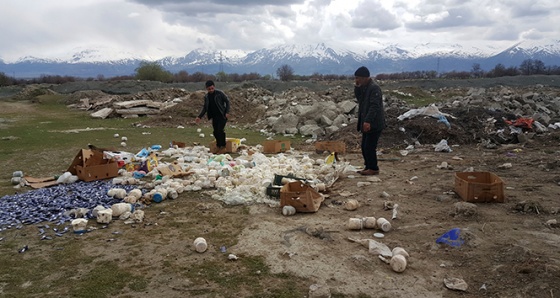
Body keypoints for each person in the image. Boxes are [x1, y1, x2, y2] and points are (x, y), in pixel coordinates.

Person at [354, 66, 385, 175]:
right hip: (366, 122)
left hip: (374, 123)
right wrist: (357, 87)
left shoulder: (374, 88)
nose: (356, 80)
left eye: (358, 78)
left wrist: (368, 121)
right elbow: (359, 99)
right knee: (364, 146)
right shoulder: (364, 88)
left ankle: (373, 168)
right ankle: (368, 166)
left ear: (364, 77)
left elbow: (374, 106)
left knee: (369, 146)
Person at [195, 80, 230, 154]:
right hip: (214, 116)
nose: (211, 90)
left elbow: (227, 101)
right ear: (206, 89)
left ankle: (223, 147)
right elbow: (205, 107)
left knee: (220, 131)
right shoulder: (207, 97)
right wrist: (199, 116)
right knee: (215, 132)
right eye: (209, 89)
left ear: (214, 87)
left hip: (222, 115)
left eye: (212, 88)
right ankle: (218, 146)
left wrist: (227, 112)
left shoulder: (219, 93)